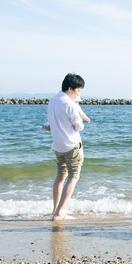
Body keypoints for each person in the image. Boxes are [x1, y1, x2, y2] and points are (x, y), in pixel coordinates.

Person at [45, 73, 87, 221]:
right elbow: (78, 126)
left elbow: (55, 122)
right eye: (78, 90)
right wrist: (82, 123)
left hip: (58, 146)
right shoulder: (69, 104)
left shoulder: (52, 100)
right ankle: (60, 212)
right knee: (74, 176)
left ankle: (55, 210)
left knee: (60, 176)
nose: (78, 93)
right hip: (72, 145)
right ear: (70, 88)